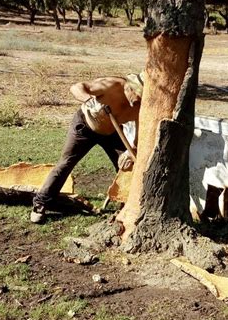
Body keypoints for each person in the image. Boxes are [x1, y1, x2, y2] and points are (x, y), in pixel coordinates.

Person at [30, 72, 144, 223]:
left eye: (141, 97)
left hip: (113, 133)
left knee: (127, 167)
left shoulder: (141, 104)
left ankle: (126, 204)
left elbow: (138, 127)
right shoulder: (112, 85)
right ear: (129, 87)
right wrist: (89, 100)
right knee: (66, 163)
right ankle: (41, 203)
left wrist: (131, 151)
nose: (137, 100)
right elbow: (77, 87)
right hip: (85, 127)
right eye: (136, 95)